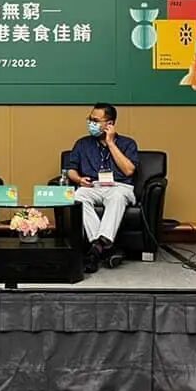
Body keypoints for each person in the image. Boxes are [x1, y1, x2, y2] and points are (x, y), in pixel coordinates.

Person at [66, 103, 140, 274]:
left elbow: (129, 170)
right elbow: (70, 169)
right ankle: (104, 247)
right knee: (77, 197)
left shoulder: (128, 143)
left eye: (95, 120)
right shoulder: (82, 144)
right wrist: (79, 179)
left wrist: (111, 143)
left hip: (119, 186)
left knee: (117, 197)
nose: (90, 123)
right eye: (90, 119)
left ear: (110, 124)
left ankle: (96, 249)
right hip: (93, 185)